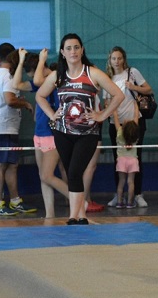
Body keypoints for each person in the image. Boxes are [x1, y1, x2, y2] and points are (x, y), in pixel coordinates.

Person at [35, 33, 124, 225]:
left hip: (87, 133)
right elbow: (40, 96)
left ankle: (73, 216)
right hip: (62, 132)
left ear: (82, 50)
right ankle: (80, 215)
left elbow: (118, 95)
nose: (73, 51)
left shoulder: (93, 73)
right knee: (70, 172)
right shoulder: (58, 75)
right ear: (62, 52)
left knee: (75, 171)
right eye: (68, 48)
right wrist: (52, 115)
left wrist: (102, 115)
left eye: (76, 47)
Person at [11, 48, 71, 218]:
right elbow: (16, 85)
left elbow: (37, 79)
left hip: (53, 133)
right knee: (43, 176)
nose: (31, 78)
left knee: (48, 175)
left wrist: (41, 60)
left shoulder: (55, 79)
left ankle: (78, 200)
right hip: (40, 134)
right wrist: (21, 61)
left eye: (32, 73)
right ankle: (49, 214)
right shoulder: (40, 82)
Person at [0, 43, 36, 216]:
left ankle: (15, 201)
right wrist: (26, 103)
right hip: (3, 127)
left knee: (12, 165)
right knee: (0, 165)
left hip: (0, 125)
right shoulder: (8, 77)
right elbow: (9, 100)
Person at [103, 46, 153, 208]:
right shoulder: (107, 78)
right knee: (118, 159)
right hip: (115, 124)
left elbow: (148, 89)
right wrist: (109, 110)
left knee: (136, 158)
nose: (116, 62)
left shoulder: (133, 73)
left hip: (134, 123)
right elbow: (106, 101)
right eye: (113, 58)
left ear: (124, 59)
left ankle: (137, 194)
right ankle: (119, 195)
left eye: (119, 58)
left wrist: (134, 87)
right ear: (109, 60)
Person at [115, 107, 140, 208]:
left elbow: (116, 118)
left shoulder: (120, 132)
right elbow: (136, 117)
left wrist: (114, 107)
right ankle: (130, 203)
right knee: (131, 182)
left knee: (121, 182)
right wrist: (135, 105)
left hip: (121, 159)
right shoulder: (135, 134)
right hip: (133, 160)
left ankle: (119, 202)